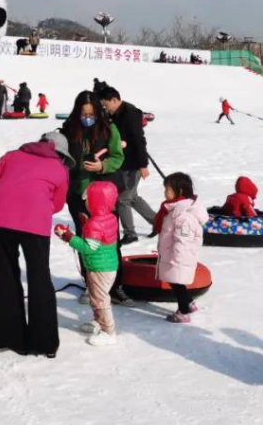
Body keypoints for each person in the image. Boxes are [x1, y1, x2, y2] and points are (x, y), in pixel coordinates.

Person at [0, 132, 71, 357]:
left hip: (0, 220)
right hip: (35, 223)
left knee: (6, 277)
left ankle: (12, 338)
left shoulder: (10, 157)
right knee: (39, 278)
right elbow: (57, 204)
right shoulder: (60, 169)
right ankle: (44, 343)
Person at [59, 91, 125, 302]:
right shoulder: (70, 130)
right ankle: (90, 283)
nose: (87, 117)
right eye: (83, 113)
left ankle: (114, 286)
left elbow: (117, 157)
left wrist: (101, 165)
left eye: (91, 113)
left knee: (109, 240)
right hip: (78, 193)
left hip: (103, 196)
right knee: (84, 239)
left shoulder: (109, 129)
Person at [54, 181, 120, 346]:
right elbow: (99, 238)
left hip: (99, 268)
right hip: (107, 265)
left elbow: (89, 248)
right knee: (95, 297)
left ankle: (108, 331)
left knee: (100, 299)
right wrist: (87, 225)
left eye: (89, 200)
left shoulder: (95, 224)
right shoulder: (109, 218)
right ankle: (98, 321)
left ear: (98, 202)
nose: (86, 203)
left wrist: (68, 237)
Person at [100, 86, 155, 246]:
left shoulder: (129, 113)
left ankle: (130, 234)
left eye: (106, 104)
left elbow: (139, 140)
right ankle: (158, 222)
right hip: (124, 162)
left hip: (134, 163)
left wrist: (143, 165)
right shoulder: (116, 113)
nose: (105, 108)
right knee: (132, 197)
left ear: (115, 100)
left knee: (123, 199)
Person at [153, 172, 208, 323]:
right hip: (171, 253)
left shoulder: (183, 216)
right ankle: (189, 304)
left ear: (180, 191)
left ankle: (184, 312)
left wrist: (177, 260)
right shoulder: (174, 209)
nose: (165, 193)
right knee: (175, 282)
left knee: (178, 284)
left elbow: (183, 241)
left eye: (167, 189)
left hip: (178, 257)